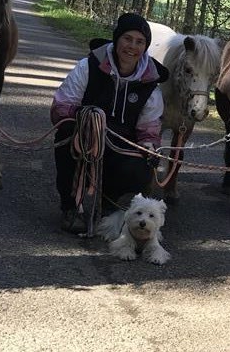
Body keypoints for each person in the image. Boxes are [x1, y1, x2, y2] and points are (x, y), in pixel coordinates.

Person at [51, 12, 169, 234]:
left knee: (141, 165)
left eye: (140, 42)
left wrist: (149, 146)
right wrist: (85, 115)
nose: (132, 46)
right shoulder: (88, 67)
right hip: (85, 137)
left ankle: (110, 205)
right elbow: (60, 108)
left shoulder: (150, 85)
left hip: (122, 143)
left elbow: (149, 129)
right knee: (65, 138)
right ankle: (71, 207)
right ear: (117, 39)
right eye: (127, 39)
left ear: (145, 47)